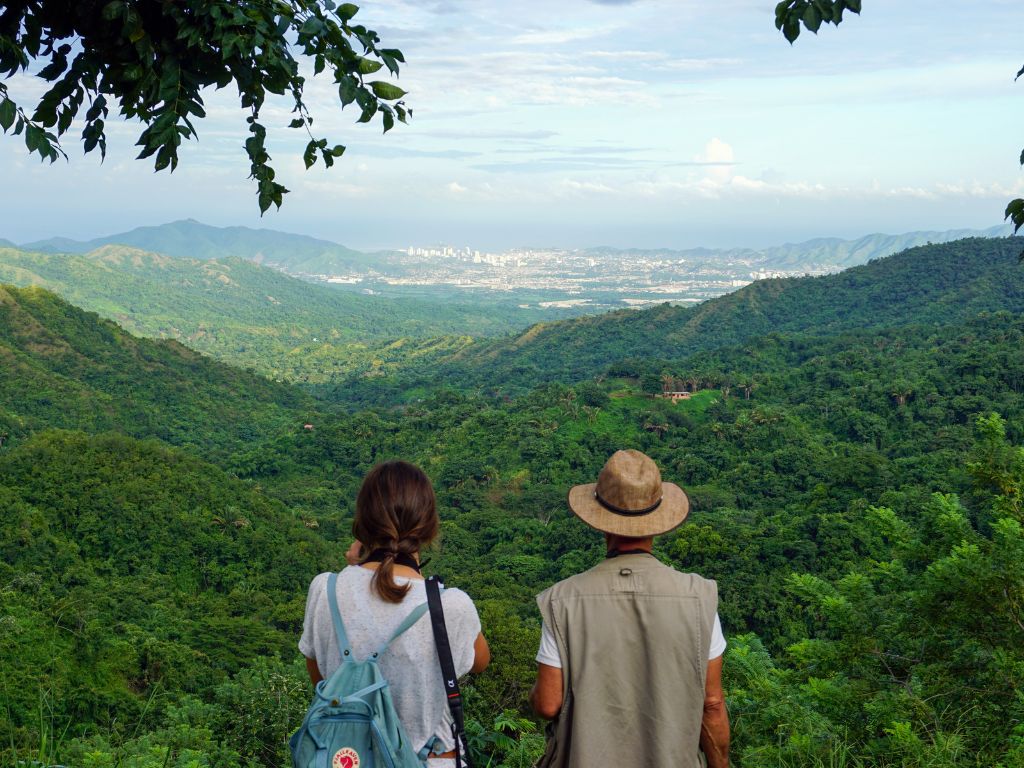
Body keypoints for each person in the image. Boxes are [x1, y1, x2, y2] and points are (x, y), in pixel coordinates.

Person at [530, 449, 730, 768]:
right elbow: (713, 703)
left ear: (601, 521)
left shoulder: (561, 601)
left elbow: (549, 703)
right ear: (657, 520)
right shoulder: (699, 599)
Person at [299, 460, 490, 768]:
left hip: (348, 757)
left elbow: (323, 680)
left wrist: (352, 569)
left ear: (363, 522)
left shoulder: (326, 590)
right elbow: (480, 661)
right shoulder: (451, 606)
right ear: (428, 526)